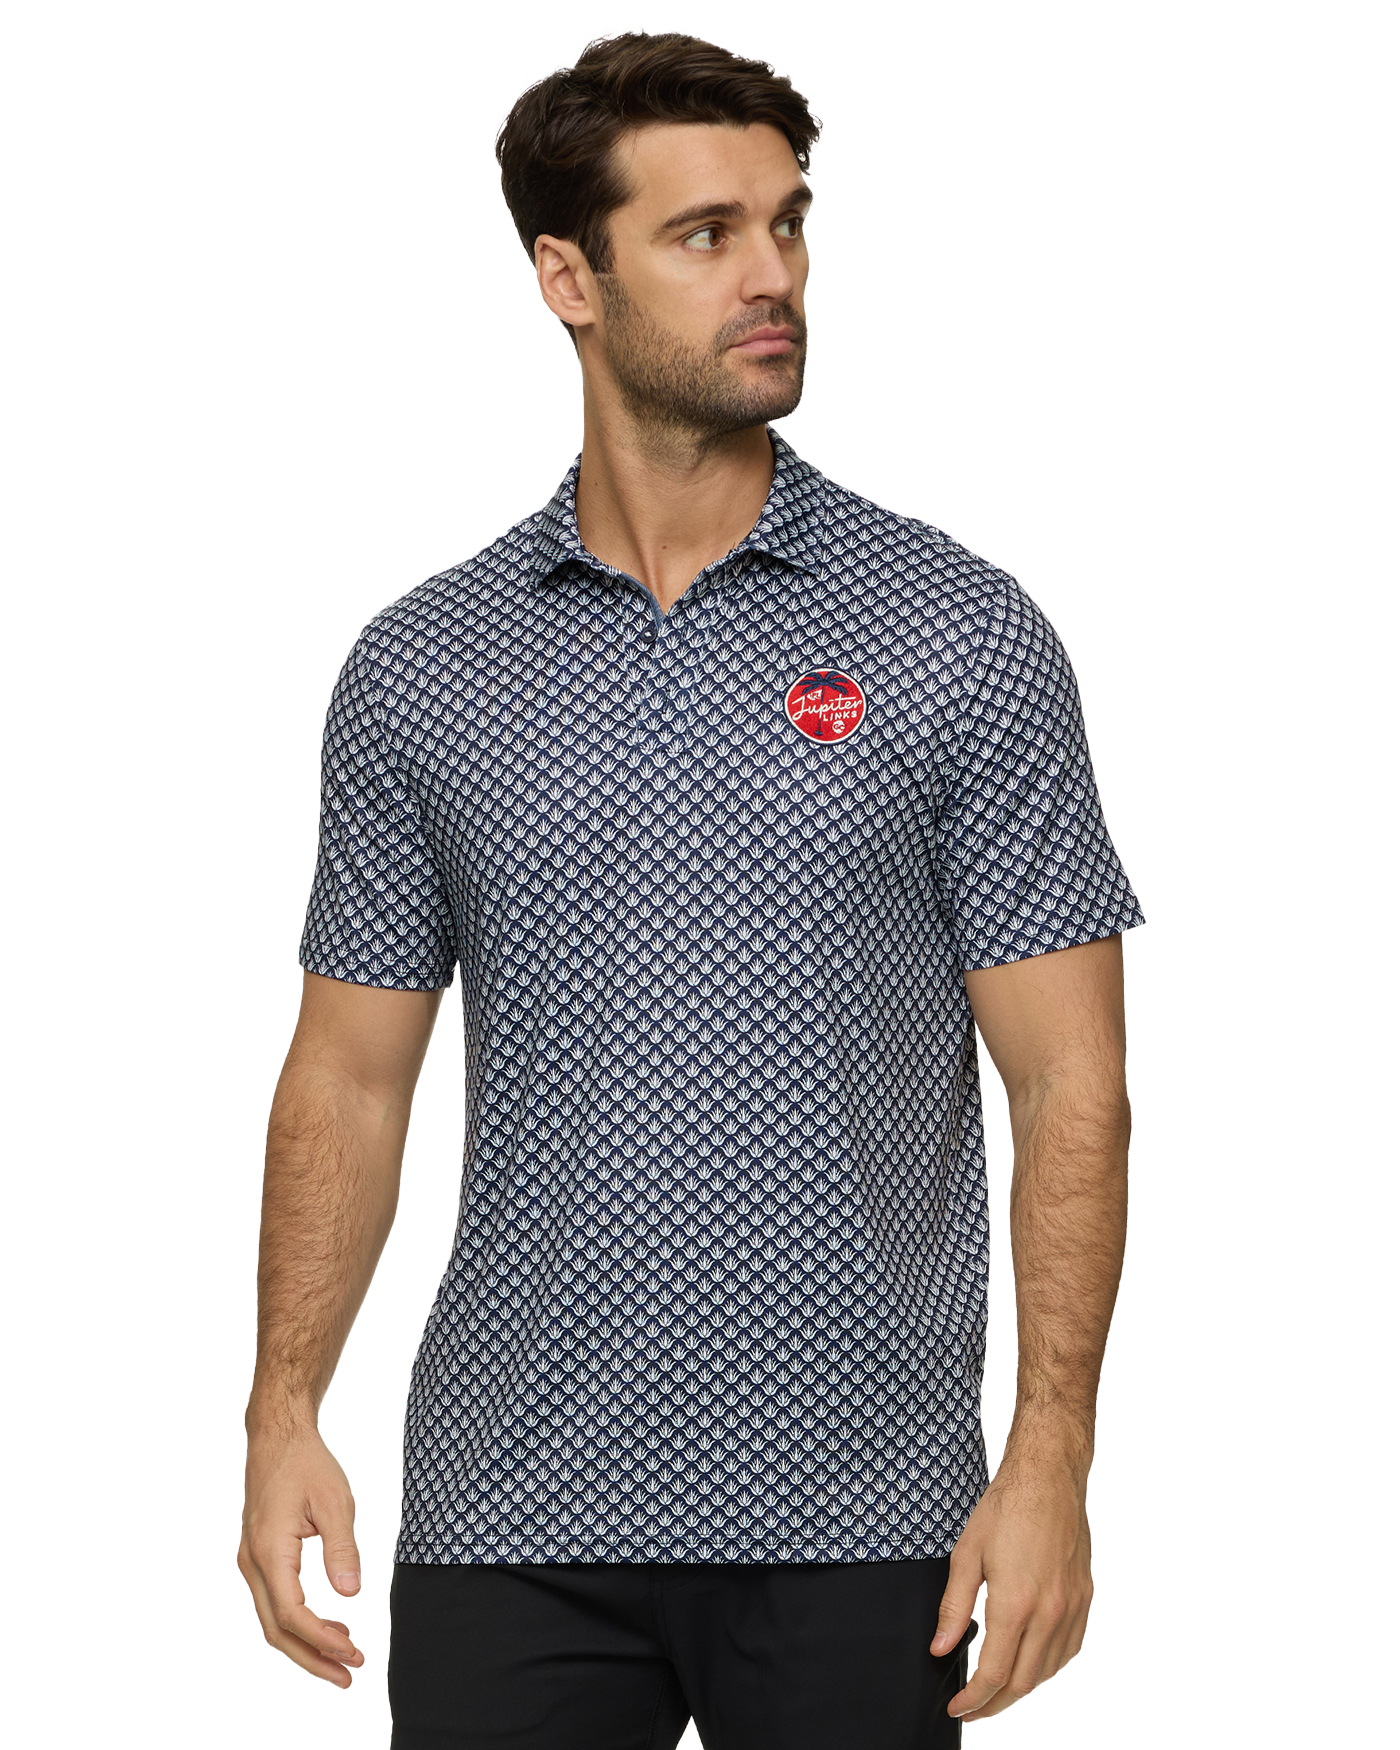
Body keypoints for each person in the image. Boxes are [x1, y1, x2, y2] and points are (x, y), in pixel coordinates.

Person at [238, 28, 1146, 1748]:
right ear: (567, 278)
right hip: (509, 1516)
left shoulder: (956, 632)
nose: (773, 274)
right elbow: (348, 1076)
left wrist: (1052, 1456)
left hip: (866, 1518)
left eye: (788, 223)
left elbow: (1069, 1081)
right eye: (706, 234)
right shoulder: (422, 667)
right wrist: (282, 1407)